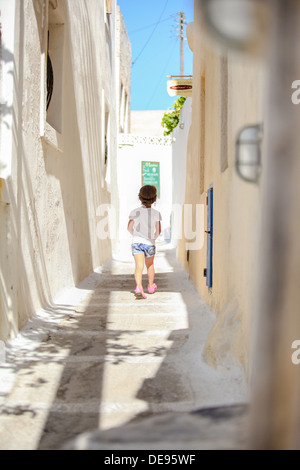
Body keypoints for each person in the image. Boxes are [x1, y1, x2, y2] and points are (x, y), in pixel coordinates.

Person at [127, 185, 162, 299]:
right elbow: (158, 230)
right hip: (149, 243)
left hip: (137, 242)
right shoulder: (156, 213)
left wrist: (135, 235)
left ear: (140, 197)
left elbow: (129, 227)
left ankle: (139, 287)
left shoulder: (134, 212)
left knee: (139, 266)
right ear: (154, 198)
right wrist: (153, 238)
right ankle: (151, 286)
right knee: (150, 265)